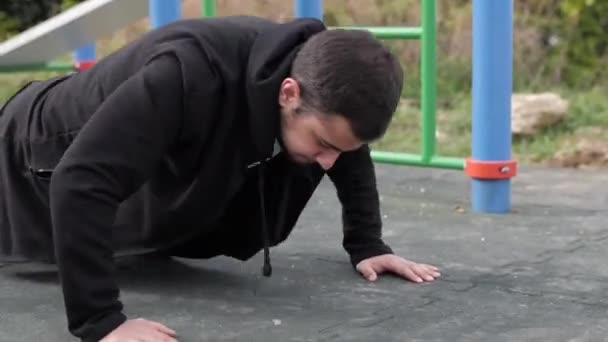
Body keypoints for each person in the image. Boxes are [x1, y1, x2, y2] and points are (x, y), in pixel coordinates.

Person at [0, 15, 441, 342]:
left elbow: (346, 145)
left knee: (317, 149)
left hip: (116, 155)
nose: (329, 163)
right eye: (324, 143)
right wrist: (103, 323)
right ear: (288, 93)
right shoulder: (187, 74)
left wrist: (367, 243)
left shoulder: (322, 78)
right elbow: (80, 180)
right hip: (32, 152)